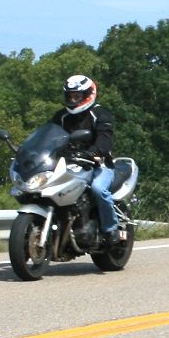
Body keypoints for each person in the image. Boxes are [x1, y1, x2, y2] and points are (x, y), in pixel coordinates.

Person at [56, 73, 122, 247]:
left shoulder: (100, 114)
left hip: (98, 164)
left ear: (87, 95)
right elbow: (48, 135)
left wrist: (94, 152)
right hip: (68, 164)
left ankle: (111, 228)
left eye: (76, 96)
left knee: (98, 189)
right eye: (70, 96)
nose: (72, 99)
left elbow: (104, 140)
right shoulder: (61, 116)